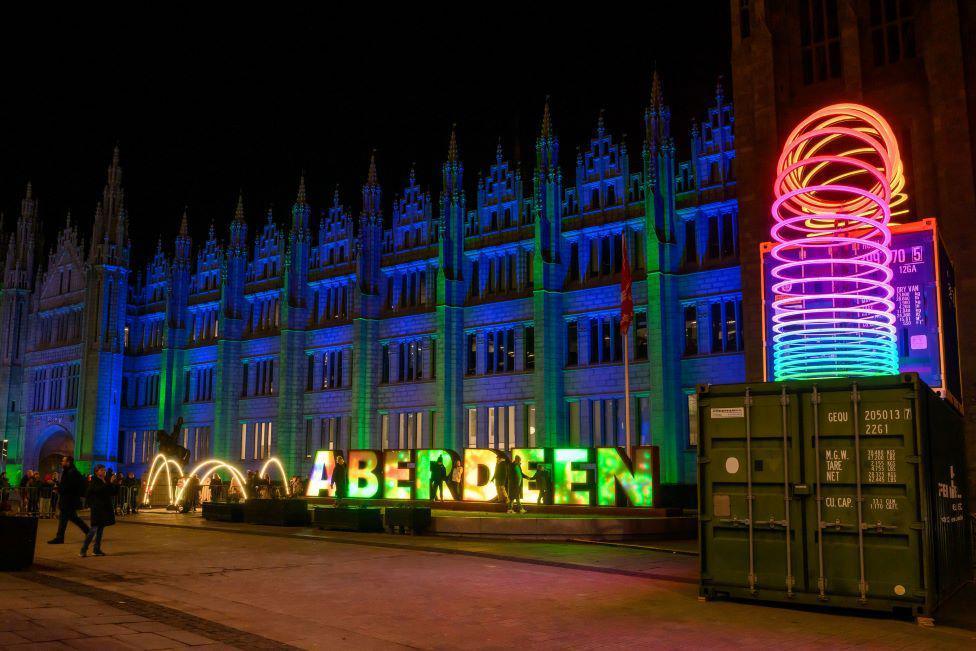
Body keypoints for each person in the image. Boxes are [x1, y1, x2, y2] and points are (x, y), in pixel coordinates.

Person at [49, 456, 91, 544]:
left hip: (69, 500)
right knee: (69, 518)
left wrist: (59, 488)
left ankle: (60, 537)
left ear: (68, 462)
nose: (62, 462)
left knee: (68, 518)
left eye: (63, 461)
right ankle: (87, 532)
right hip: (68, 500)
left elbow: (69, 487)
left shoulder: (71, 472)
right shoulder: (69, 471)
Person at [80, 464, 118, 557]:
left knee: (100, 530)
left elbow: (112, 492)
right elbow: (98, 490)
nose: (104, 471)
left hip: (104, 508)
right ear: (96, 472)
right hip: (97, 508)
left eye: (104, 470)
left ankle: (96, 549)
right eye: (101, 470)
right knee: (94, 529)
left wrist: (114, 483)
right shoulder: (94, 481)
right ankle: (83, 549)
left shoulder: (105, 480)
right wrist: (108, 483)